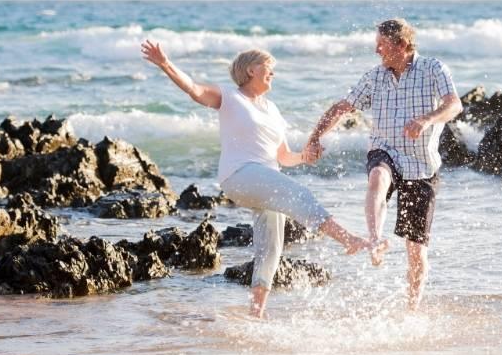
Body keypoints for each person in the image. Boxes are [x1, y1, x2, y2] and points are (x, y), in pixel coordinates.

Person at [141, 40, 380, 319]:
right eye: (269, 67)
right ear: (251, 69)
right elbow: (194, 90)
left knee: (271, 248)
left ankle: (256, 313)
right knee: (298, 195)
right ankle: (348, 239)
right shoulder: (230, 97)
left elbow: (282, 156)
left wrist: (305, 157)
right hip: (239, 175)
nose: (273, 73)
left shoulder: (273, 110)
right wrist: (165, 64)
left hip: (266, 180)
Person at [304, 18, 463, 310]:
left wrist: (427, 119)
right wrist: (315, 137)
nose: (377, 51)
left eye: (382, 45)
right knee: (378, 175)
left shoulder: (433, 69)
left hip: (422, 165)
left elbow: (454, 105)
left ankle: (412, 309)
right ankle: (375, 239)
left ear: (401, 45)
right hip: (385, 149)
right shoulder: (375, 77)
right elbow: (343, 107)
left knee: (416, 252)